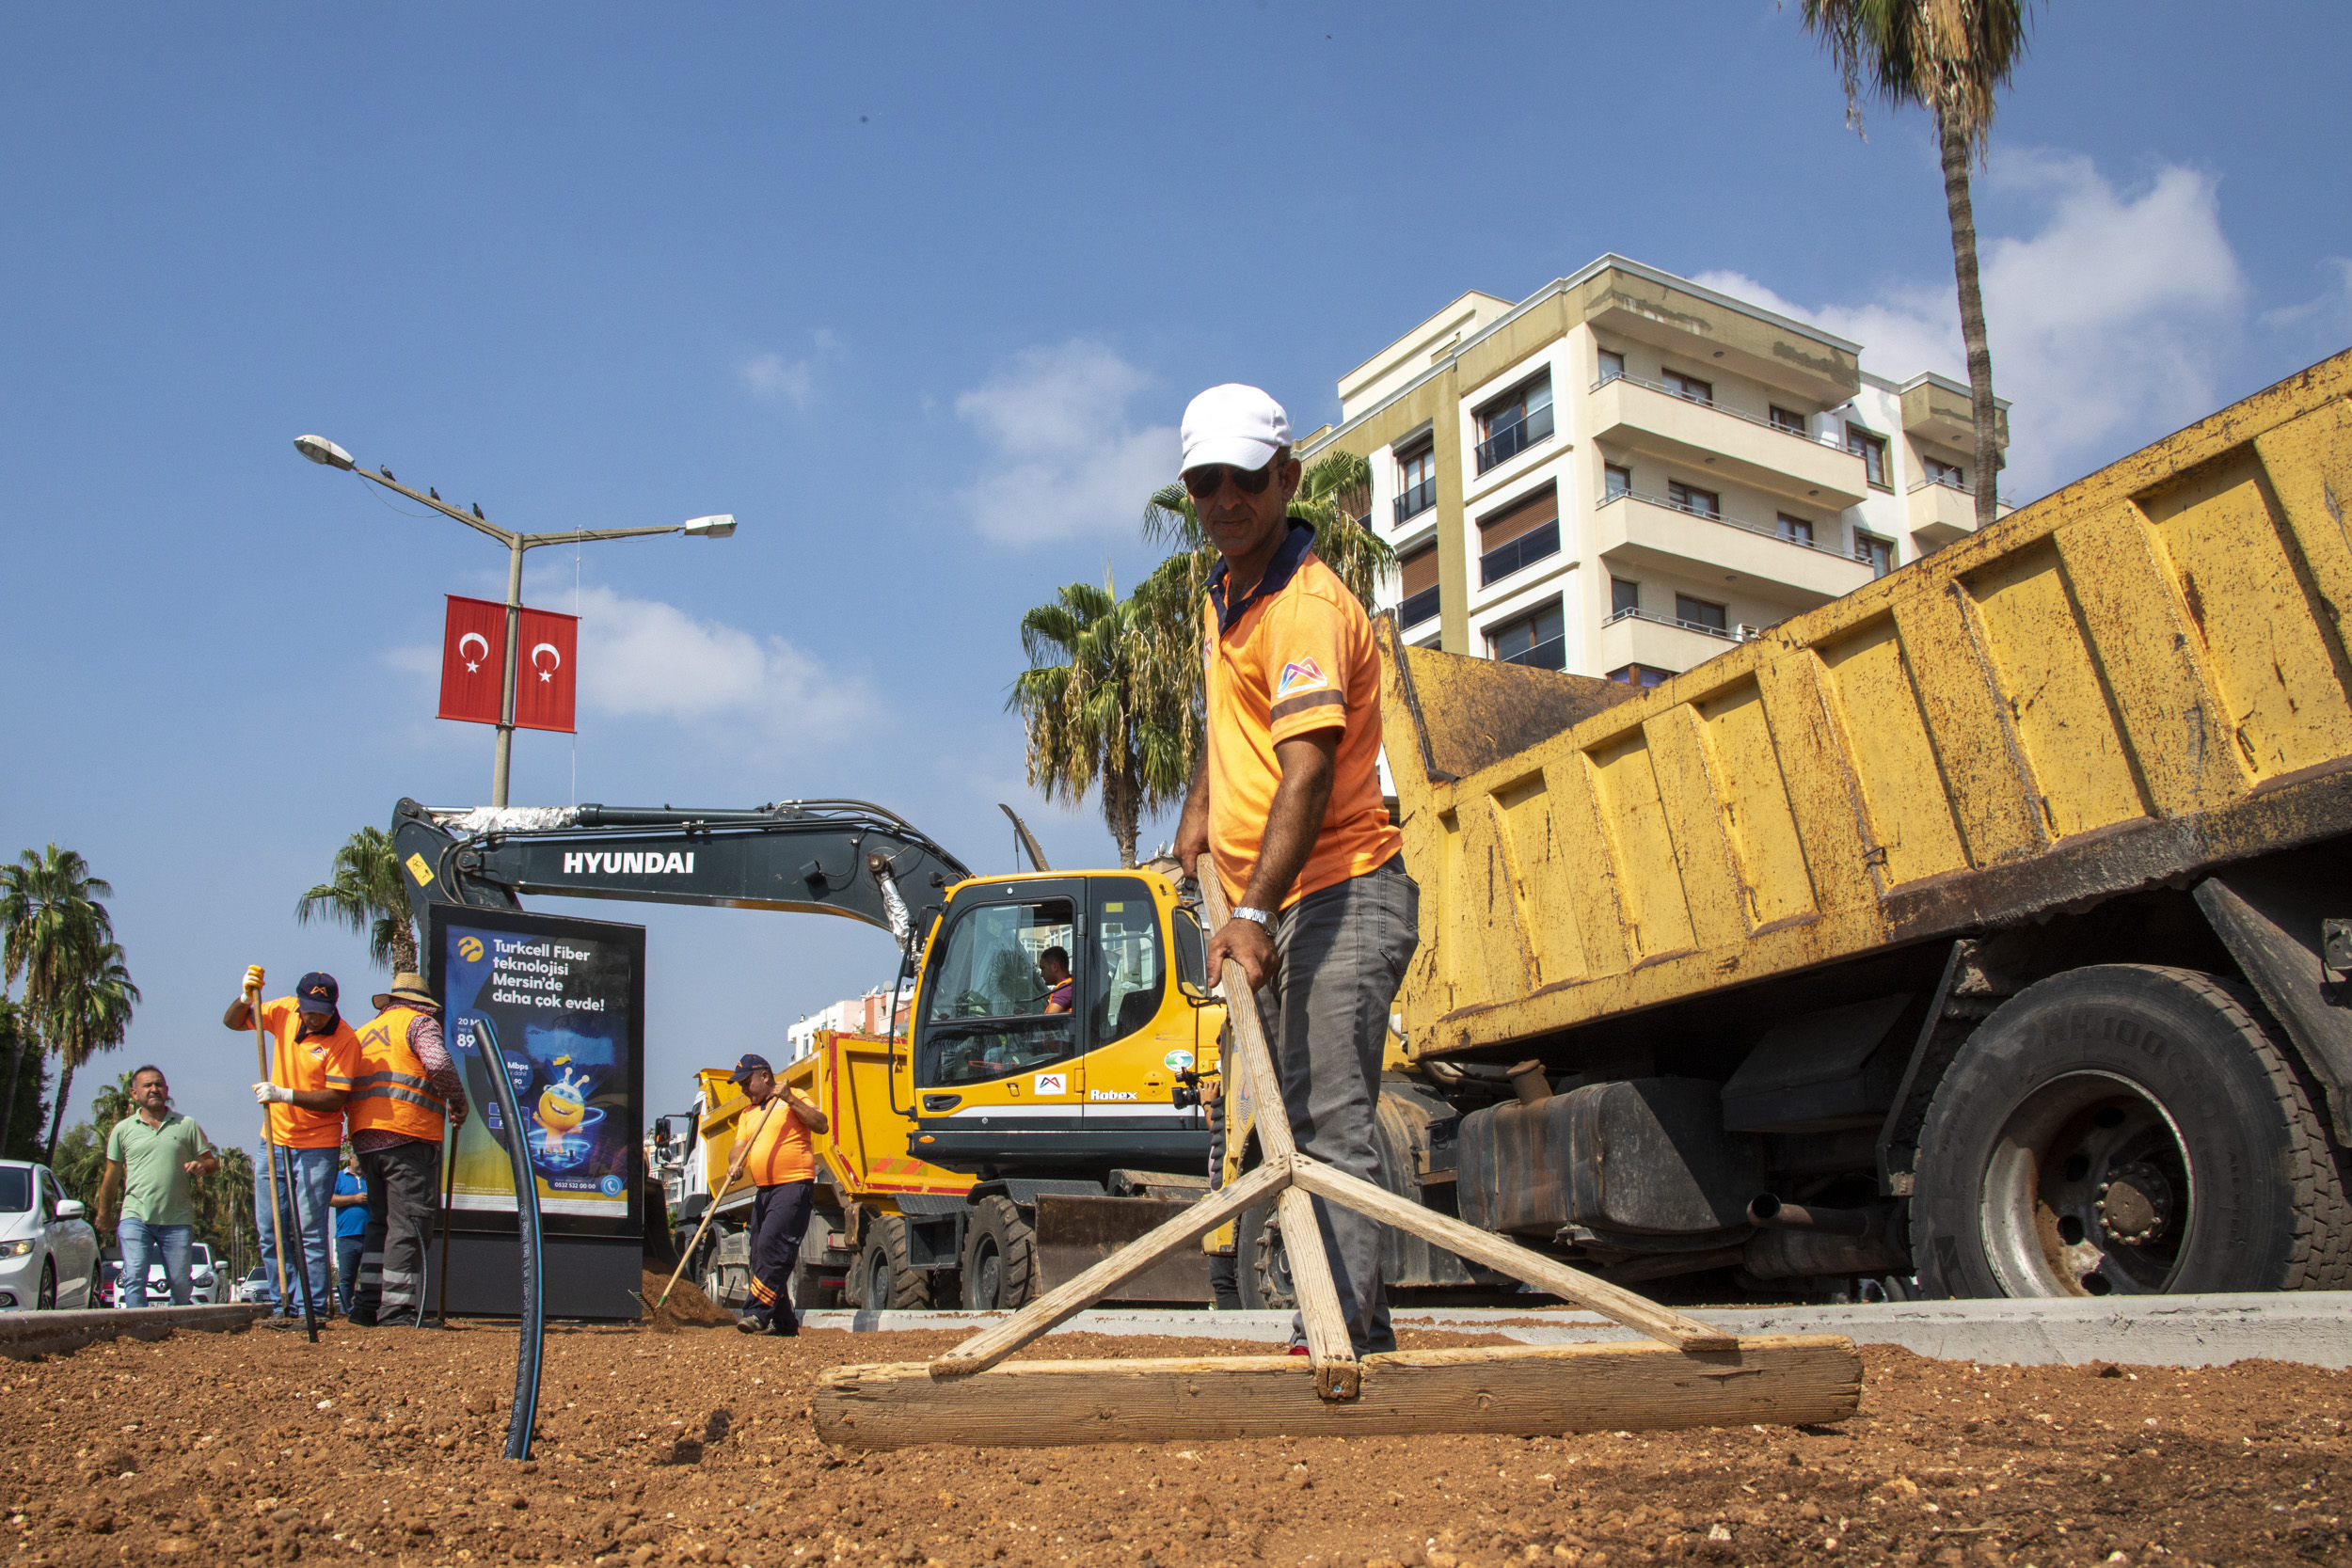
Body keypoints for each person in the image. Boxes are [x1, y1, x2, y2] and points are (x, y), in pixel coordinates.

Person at [1169, 383, 1419, 1358]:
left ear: (1287, 478)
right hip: (1280, 904)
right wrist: (1196, 815)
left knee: (1325, 1111)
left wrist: (1257, 910)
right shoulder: (1229, 593)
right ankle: (1348, 1320)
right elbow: (1229, 729)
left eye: (1243, 478)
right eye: (1204, 482)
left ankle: (1344, 1330)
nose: (1224, 498)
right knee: (1293, 1122)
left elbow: (1308, 768)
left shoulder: (1305, 607)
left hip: (1341, 889)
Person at [225, 966, 358, 1320]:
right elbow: (234, 1023)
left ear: (333, 1007)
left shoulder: (345, 1039)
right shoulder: (284, 1010)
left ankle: (312, 1309)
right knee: (270, 1230)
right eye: (309, 1011)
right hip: (273, 1140)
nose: (314, 1019)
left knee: (309, 1230)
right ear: (298, 1004)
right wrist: (245, 996)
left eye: (322, 1013)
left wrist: (283, 1094)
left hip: (317, 1145)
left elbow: (335, 1099)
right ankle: (284, 1302)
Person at [345, 971, 467, 1328]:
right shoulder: (419, 1024)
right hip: (407, 1135)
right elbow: (439, 1063)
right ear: (422, 1004)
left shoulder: (365, 1031)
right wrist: (457, 1099)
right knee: (409, 1223)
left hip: (366, 1138)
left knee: (379, 1223)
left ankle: (367, 1305)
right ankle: (396, 1311)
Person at [721, 1053, 828, 1336]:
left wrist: (789, 1098)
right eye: (740, 1085)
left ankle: (756, 1313)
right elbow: (739, 1146)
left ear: (764, 1076)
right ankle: (785, 1323)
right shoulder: (747, 1114)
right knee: (758, 1255)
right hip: (765, 1191)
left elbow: (821, 1124)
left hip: (793, 1186)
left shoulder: (794, 1097)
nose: (744, 1090)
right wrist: (736, 1162)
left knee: (772, 1246)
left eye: (747, 1083)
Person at [94, 1067, 216, 1308]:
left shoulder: (186, 1125)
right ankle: (138, 1329)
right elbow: (112, 1174)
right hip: (135, 1216)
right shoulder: (123, 1129)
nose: (153, 1089)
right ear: (134, 1093)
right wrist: (103, 1213)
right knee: (135, 1275)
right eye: (147, 1085)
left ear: (166, 1090)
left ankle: (179, 1328)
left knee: (181, 1281)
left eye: (158, 1084)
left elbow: (211, 1161)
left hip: (177, 1219)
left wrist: (203, 1167)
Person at [331, 1153, 368, 1317]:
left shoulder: (371, 1178)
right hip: (347, 1237)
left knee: (370, 1277)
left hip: (370, 1237)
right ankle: (346, 1311)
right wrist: (354, 1199)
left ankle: (367, 1311)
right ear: (351, 1158)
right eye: (358, 1159)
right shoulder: (340, 1177)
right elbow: (330, 1199)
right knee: (347, 1278)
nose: (361, 1163)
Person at [1039, 946, 1074, 1014]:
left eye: (1043, 969)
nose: (1041, 974)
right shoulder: (1069, 985)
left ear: (1054, 967)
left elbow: (1047, 1021)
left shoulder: (1065, 989)